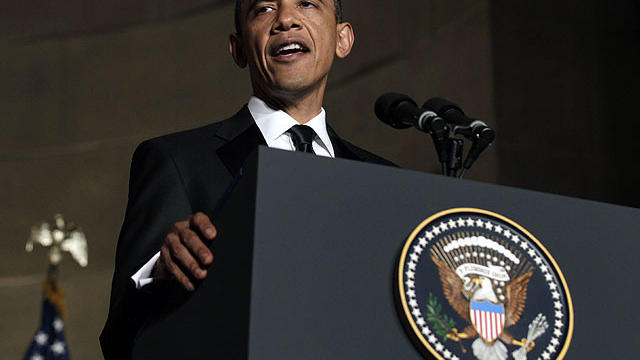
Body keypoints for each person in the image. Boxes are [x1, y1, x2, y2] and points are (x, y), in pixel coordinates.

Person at [100, 0, 393, 358]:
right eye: (265, 9)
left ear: (342, 39)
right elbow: (119, 338)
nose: (286, 19)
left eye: (307, 4)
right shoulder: (175, 161)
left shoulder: (384, 181)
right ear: (238, 49)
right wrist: (159, 273)